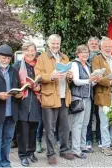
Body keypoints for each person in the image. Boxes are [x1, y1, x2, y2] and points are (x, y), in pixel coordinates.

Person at [34, 34, 74, 165]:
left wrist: (70, 75)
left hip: (64, 96)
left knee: (64, 126)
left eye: (58, 43)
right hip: (50, 97)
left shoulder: (64, 57)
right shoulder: (42, 58)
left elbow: (68, 79)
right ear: (48, 44)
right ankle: (51, 153)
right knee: (49, 128)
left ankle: (64, 149)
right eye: (53, 43)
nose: (56, 46)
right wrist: (51, 76)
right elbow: (38, 77)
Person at [91, 36, 112, 156]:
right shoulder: (96, 59)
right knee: (104, 122)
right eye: (106, 46)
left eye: (110, 46)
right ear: (101, 47)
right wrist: (110, 82)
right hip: (103, 94)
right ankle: (105, 145)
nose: (108, 48)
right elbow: (96, 78)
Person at [13, 42, 42, 166]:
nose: (30, 53)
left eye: (32, 50)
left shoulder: (39, 65)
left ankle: (31, 152)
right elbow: (13, 82)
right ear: (23, 52)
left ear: (35, 51)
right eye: (27, 51)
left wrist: (38, 87)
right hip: (22, 101)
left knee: (33, 129)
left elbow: (44, 81)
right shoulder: (17, 65)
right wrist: (18, 90)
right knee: (22, 131)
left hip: (36, 101)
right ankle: (23, 155)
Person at [70, 44, 101, 159]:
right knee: (77, 124)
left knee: (85, 124)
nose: (85, 54)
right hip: (78, 98)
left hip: (88, 97)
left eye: (87, 52)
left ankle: (83, 146)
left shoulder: (87, 65)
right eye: (82, 52)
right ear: (77, 53)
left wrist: (95, 81)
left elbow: (89, 83)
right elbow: (76, 81)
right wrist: (89, 80)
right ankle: (75, 149)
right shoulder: (75, 64)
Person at [86, 37, 102, 150]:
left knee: (99, 115)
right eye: (92, 43)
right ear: (88, 44)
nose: (94, 45)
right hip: (87, 89)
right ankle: (88, 138)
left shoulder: (102, 56)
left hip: (100, 89)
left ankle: (100, 137)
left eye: (96, 43)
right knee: (88, 116)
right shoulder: (84, 56)